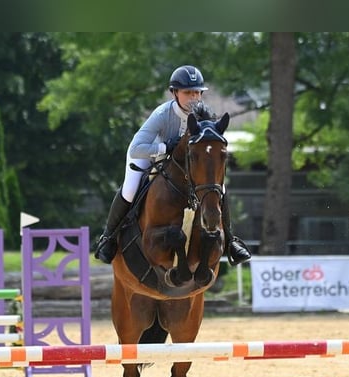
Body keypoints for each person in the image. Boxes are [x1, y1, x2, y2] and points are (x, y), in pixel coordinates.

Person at [93, 64, 252, 266]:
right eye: (188, 93)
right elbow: (136, 148)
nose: (194, 98)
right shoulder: (162, 115)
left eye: (197, 92)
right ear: (175, 93)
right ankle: (108, 238)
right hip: (150, 154)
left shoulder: (206, 115)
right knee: (130, 188)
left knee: (219, 188)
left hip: (186, 165)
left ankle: (231, 241)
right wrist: (164, 147)